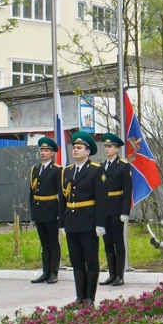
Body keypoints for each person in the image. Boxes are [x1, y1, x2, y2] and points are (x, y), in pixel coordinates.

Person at [59, 131, 107, 306]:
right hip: (72, 222)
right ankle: (80, 297)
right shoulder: (66, 171)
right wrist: (61, 223)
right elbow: (62, 199)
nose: (75, 150)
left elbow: (102, 200)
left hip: (89, 222)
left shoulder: (96, 170)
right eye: (74, 147)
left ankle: (90, 298)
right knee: (76, 261)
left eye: (79, 148)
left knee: (91, 260)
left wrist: (100, 224)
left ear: (88, 151)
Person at [98, 133, 132, 287]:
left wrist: (125, 211)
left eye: (110, 146)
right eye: (105, 146)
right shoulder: (100, 166)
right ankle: (111, 274)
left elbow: (127, 190)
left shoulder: (123, 166)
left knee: (118, 242)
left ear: (117, 149)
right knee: (107, 242)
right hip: (104, 209)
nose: (107, 149)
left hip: (117, 208)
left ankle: (120, 275)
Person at [29, 137, 63, 284]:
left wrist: (60, 214)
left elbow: (61, 194)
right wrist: (33, 212)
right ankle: (45, 272)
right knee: (44, 243)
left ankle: (54, 272)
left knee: (53, 242)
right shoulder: (35, 169)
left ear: (52, 153)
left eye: (46, 150)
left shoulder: (57, 170)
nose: (43, 153)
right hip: (39, 210)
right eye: (42, 150)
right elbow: (31, 192)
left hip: (51, 210)